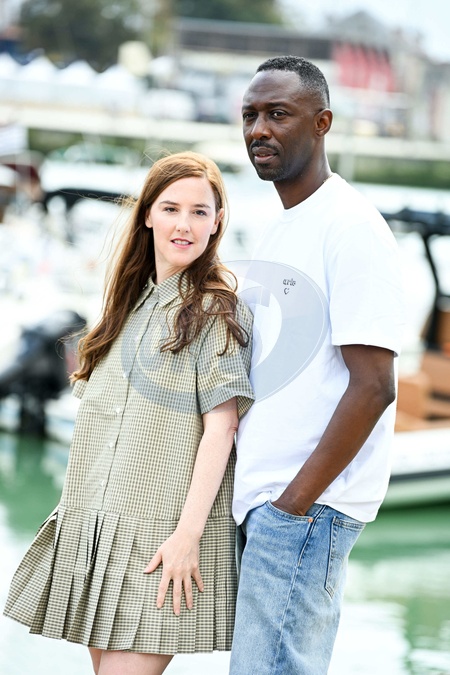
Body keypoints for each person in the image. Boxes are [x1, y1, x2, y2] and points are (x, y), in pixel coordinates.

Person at [4, 151, 254, 675]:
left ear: (217, 223)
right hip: (100, 529)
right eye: (171, 208)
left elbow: (222, 427)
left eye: (200, 212)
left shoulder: (216, 310)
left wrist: (187, 537)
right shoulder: (129, 305)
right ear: (147, 216)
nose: (184, 224)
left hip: (164, 538)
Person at [229, 56, 405, 674]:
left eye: (278, 114)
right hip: (270, 506)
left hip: (302, 512)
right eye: (250, 115)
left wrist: (292, 505)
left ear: (322, 122)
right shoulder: (283, 226)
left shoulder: (350, 227)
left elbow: (375, 386)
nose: (259, 130)